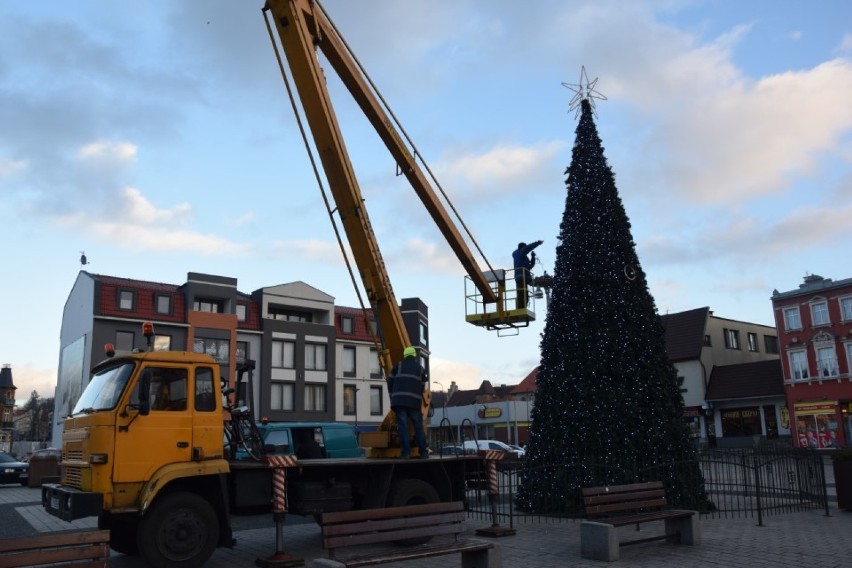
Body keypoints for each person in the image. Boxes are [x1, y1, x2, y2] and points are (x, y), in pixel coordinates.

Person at [389, 346, 429, 459]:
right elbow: (422, 386)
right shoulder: (420, 369)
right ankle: (423, 452)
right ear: (414, 356)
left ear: (405, 355)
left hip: (399, 402)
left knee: (403, 426)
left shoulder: (398, 366)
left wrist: (393, 396)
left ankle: (406, 453)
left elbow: (390, 382)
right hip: (414, 403)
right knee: (418, 427)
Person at [513, 240, 543, 309]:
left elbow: (530, 266)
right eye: (525, 248)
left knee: (524, 294)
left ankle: (522, 308)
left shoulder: (522, 257)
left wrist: (533, 257)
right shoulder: (519, 253)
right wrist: (537, 243)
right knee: (522, 295)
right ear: (522, 248)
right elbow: (528, 248)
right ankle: (521, 308)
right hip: (521, 276)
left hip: (523, 277)